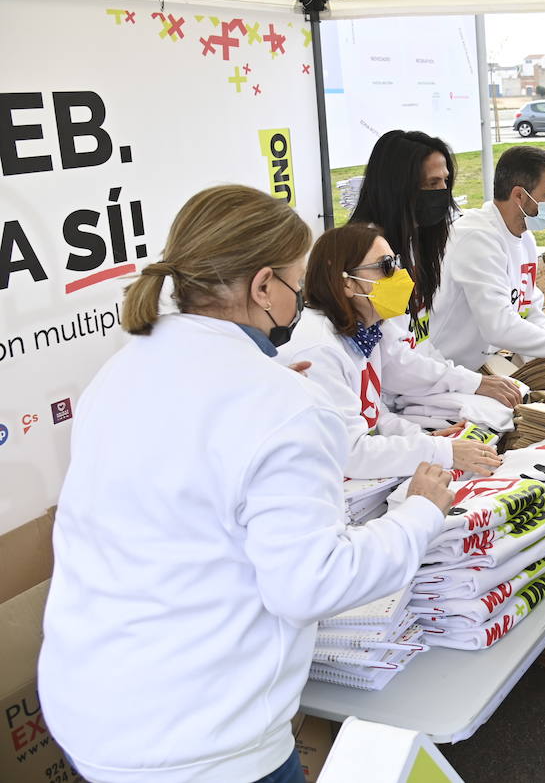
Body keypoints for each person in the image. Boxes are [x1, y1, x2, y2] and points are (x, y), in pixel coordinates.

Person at [37, 185, 452, 783]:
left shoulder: (126, 366)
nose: (301, 300)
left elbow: (210, 457)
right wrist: (418, 514)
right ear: (262, 287)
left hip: (95, 705)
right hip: (203, 739)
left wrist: (289, 402)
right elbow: (311, 582)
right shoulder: (274, 400)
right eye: (297, 282)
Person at [280, 223, 506, 479]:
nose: (399, 274)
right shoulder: (320, 349)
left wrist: (419, 437)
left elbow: (373, 415)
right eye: (385, 266)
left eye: (396, 262)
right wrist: (441, 451)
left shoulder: (363, 331)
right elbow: (351, 453)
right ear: (346, 284)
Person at [428, 145, 545, 370]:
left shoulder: (524, 238)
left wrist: (544, 363)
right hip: (441, 369)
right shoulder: (477, 238)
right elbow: (499, 326)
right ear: (519, 196)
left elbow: (528, 307)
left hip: (479, 363)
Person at [348, 129, 458, 343]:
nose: (443, 191)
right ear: (398, 188)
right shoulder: (371, 254)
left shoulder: (415, 239)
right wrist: (469, 378)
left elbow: (418, 344)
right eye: (432, 183)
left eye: (446, 181)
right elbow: (394, 352)